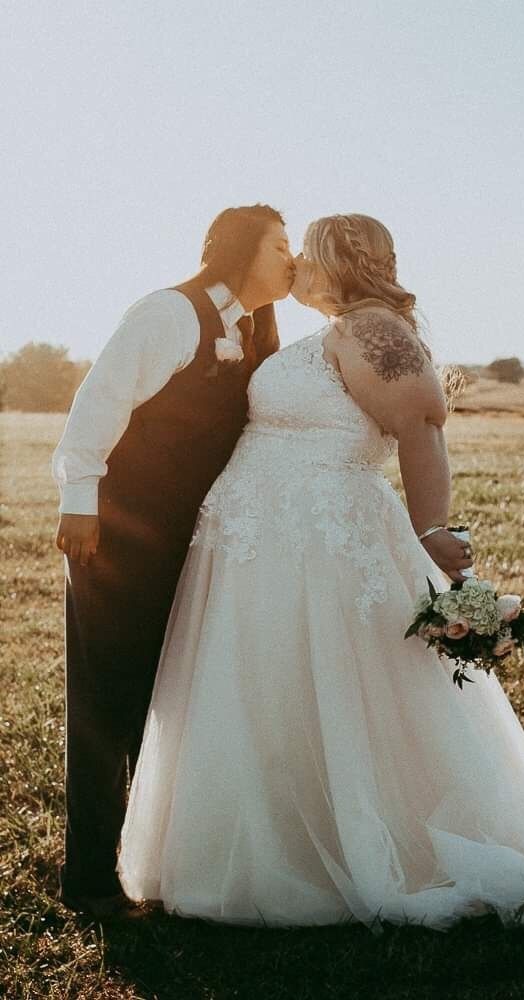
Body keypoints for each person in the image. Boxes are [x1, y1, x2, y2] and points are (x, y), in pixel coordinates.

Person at [117, 213, 524, 931]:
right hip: (263, 543)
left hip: (321, 541)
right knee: (264, 682)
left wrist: (431, 529)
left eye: (301, 254)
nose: (293, 268)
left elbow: (422, 423)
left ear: (336, 261)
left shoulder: (370, 327)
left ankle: (342, 845)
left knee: (328, 681)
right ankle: (267, 832)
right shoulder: (332, 331)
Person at [52, 204, 295, 919]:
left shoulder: (260, 329)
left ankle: (158, 859)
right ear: (241, 249)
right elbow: (99, 401)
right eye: (281, 245)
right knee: (105, 700)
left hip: (200, 541)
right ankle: (91, 877)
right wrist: (80, 502)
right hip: (120, 536)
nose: (293, 258)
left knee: (173, 696)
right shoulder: (169, 313)